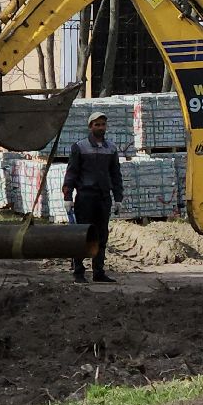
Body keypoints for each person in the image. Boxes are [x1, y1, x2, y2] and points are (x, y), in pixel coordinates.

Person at [63, 111, 124, 283]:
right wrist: (68, 196)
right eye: (97, 124)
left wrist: (118, 197)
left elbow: (115, 174)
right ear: (90, 127)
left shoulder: (110, 148)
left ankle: (98, 272)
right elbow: (72, 173)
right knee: (81, 235)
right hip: (85, 197)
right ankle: (79, 272)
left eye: (103, 124)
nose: (100, 127)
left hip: (103, 198)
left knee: (101, 235)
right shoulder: (80, 147)